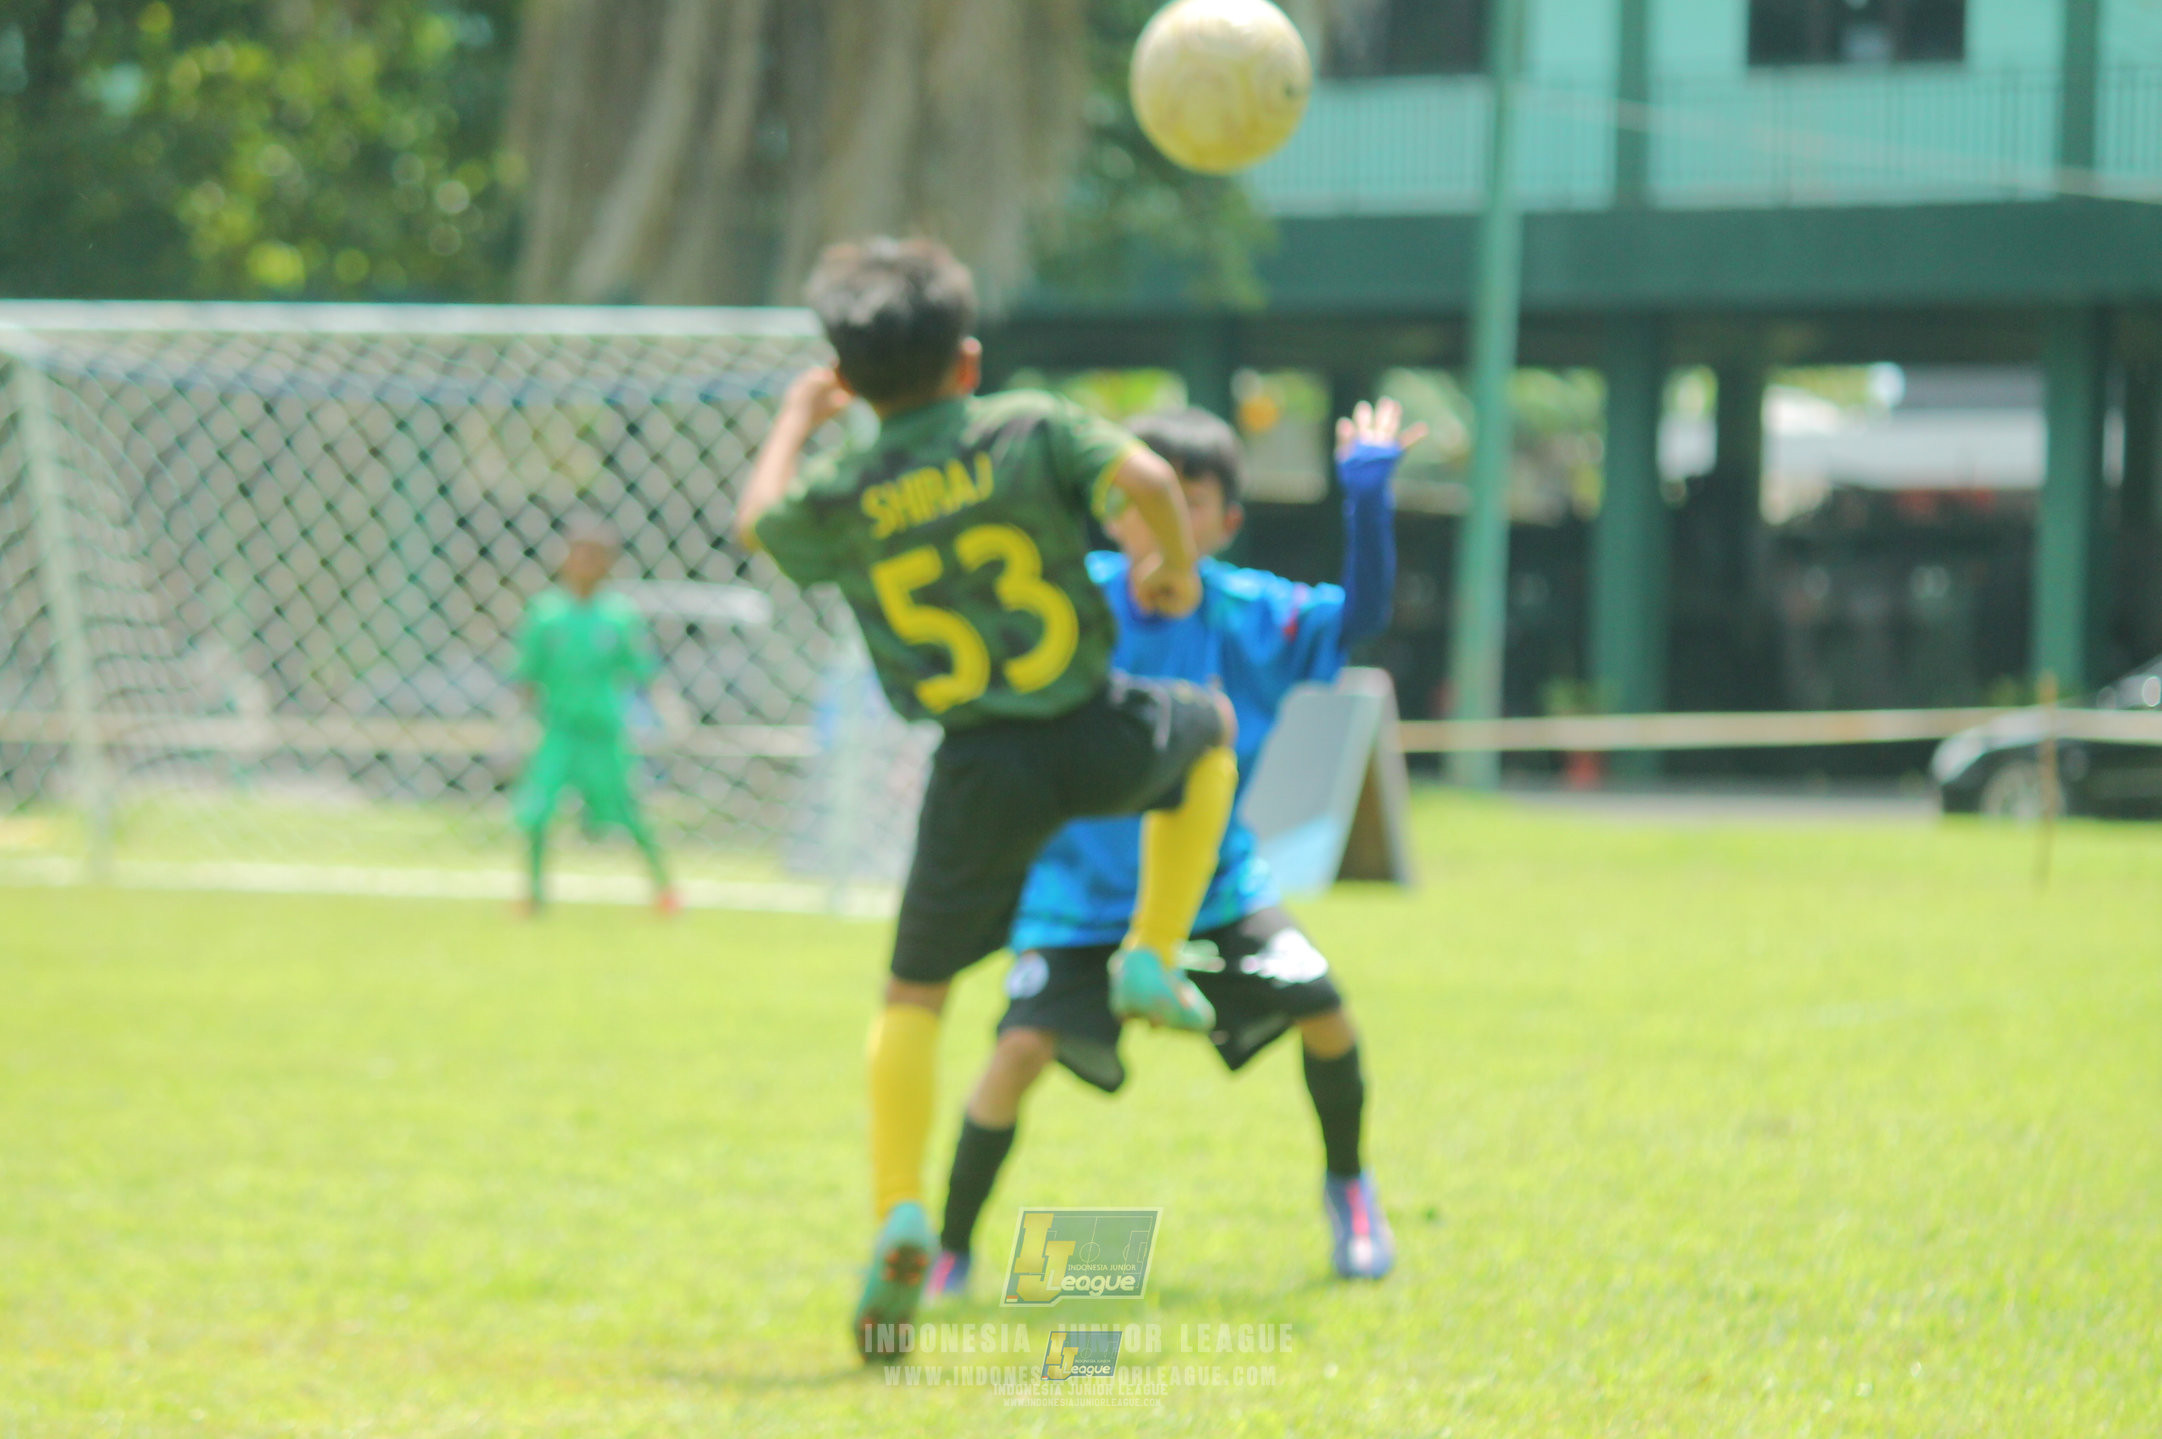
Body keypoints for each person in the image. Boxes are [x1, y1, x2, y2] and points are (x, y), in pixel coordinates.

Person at [734, 237, 1242, 1356]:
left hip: (971, 765)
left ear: (851, 382)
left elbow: (758, 526)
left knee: (914, 997)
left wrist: (794, 422)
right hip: (1091, 721)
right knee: (1208, 733)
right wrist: (1174, 570)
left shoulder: (847, 485)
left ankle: (900, 1211)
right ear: (966, 362)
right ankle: (1152, 950)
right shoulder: (1028, 424)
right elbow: (1152, 481)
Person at [926, 399, 1421, 1298]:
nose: (1167, 518)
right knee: (1016, 1054)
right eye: (1147, 496)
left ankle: (1349, 1188)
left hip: (1215, 893)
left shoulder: (1250, 613)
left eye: (1191, 501)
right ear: (1114, 512)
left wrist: (1368, 503)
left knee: (1326, 1008)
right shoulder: (1070, 604)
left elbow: (1360, 620)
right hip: (1077, 898)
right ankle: (949, 1248)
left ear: (1227, 522)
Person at [511, 518, 679, 917]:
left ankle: (665, 891)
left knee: (631, 814)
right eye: (578, 552)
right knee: (535, 813)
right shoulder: (545, 614)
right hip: (559, 732)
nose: (585, 562)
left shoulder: (619, 616)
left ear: (609, 562)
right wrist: (517, 728)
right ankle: (533, 895)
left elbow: (644, 673)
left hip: (604, 733)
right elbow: (526, 678)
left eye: (595, 555)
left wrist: (668, 715)